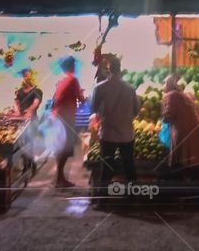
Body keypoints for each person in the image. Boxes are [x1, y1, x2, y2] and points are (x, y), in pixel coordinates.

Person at [91, 57, 140, 196]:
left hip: (108, 134)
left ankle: (103, 199)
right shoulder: (130, 88)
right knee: (129, 167)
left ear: (108, 68)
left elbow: (94, 108)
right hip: (126, 134)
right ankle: (133, 197)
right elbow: (136, 110)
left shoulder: (100, 88)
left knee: (106, 168)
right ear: (120, 68)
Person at [162, 74, 199, 172]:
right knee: (194, 160)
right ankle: (194, 182)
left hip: (184, 132)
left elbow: (168, 115)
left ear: (169, 85)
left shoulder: (171, 95)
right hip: (196, 130)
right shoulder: (184, 95)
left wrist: (163, 118)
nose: (163, 85)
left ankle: (183, 183)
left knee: (183, 161)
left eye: (165, 83)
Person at [51, 57, 84, 188]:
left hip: (58, 117)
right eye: (74, 63)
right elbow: (81, 99)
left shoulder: (63, 79)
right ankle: (59, 179)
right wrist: (82, 96)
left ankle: (59, 178)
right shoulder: (73, 79)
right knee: (65, 148)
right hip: (66, 119)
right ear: (71, 65)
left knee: (61, 148)